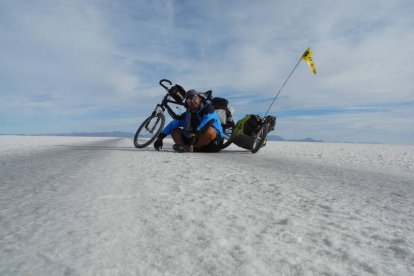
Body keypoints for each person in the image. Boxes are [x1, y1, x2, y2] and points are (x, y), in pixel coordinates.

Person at [153, 89, 224, 153]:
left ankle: (193, 148)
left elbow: (206, 123)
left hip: (213, 143)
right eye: (189, 101)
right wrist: (160, 138)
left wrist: (193, 139)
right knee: (174, 131)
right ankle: (183, 147)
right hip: (195, 140)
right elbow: (174, 123)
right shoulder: (188, 114)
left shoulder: (208, 108)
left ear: (199, 98)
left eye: (194, 98)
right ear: (187, 103)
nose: (192, 101)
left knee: (209, 131)